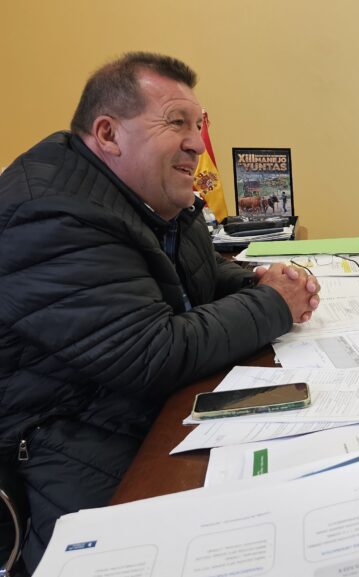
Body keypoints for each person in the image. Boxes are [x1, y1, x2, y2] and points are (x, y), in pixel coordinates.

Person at [0, 52, 320, 571]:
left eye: (199, 125)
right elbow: (150, 352)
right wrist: (273, 304)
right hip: (65, 431)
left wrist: (259, 280)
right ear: (108, 134)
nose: (197, 143)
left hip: (135, 408)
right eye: (177, 123)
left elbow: (197, 277)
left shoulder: (149, 195)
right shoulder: (50, 213)